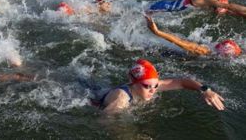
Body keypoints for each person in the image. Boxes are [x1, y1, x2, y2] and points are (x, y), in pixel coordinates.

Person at [96, 59, 225, 113]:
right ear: (133, 82)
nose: (153, 90)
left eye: (156, 85)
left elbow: (182, 82)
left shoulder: (150, 86)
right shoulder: (120, 99)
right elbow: (107, 123)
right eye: (147, 86)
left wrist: (205, 90)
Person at [145, 15, 242, 57]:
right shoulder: (206, 51)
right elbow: (181, 43)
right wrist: (157, 32)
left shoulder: (216, 50)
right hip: (175, 54)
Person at [147, 0, 246, 18]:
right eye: (218, 8)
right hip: (161, 7)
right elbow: (230, 7)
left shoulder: (210, 5)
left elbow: (231, 11)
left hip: (168, 9)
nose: (217, 11)